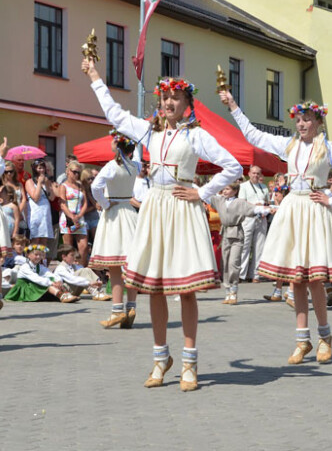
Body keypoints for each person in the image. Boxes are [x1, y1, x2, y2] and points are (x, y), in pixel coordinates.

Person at [83, 57, 243, 391]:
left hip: (182, 209)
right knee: (152, 287)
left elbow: (232, 166)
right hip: (155, 207)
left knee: (185, 290)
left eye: (175, 98)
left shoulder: (197, 135)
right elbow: (114, 114)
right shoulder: (148, 131)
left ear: (187, 104)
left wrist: (201, 191)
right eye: (164, 98)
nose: (168, 103)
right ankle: (160, 360)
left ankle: (189, 363)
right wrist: (95, 75)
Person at [221, 89, 332, 365]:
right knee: (296, 278)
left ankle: (325, 337)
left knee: (314, 279)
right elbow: (253, 135)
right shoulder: (289, 145)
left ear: (318, 122)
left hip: (314, 209)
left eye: (307, 119)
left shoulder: (329, 148)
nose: (301, 124)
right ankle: (302, 340)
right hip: (293, 209)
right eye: (298, 119)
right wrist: (233, 106)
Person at [89, 131, 141, 327]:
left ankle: (117, 310)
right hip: (129, 211)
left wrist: (103, 203)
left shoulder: (111, 166)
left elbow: (95, 186)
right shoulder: (135, 166)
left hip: (115, 213)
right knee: (131, 264)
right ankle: (131, 307)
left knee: (115, 267)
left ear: (117, 146)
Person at [209, 182, 272, 305]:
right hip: (225, 233)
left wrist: (268, 209)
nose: (225, 191)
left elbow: (253, 209)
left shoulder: (240, 202)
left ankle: (234, 290)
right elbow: (204, 194)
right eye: (224, 189)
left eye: (227, 189)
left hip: (237, 233)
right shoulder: (219, 200)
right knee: (225, 263)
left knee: (234, 262)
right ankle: (227, 290)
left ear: (235, 191)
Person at [4, 244, 78, 303]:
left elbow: (49, 274)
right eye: (36, 255)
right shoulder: (25, 267)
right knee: (45, 284)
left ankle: (66, 294)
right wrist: (51, 283)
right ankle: (62, 296)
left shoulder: (40, 266)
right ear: (28, 255)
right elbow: (36, 278)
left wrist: (57, 281)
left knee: (51, 279)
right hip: (25, 289)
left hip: (32, 287)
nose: (38, 257)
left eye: (40, 255)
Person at [238, 165, 269, 283]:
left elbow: (267, 202)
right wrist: (255, 206)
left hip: (261, 218)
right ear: (249, 174)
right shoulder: (243, 186)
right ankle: (241, 274)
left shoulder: (264, 187)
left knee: (259, 246)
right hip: (249, 217)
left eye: (258, 173)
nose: (255, 175)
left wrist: (264, 205)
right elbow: (242, 202)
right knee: (245, 245)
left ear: (260, 175)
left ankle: (255, 274)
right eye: (253, 173)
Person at [59, 161, 89, 266]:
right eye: (74, 172)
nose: (76, 174)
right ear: (68, 172)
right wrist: (71, 217)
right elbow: (62, 204)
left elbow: (85, 202)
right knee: (68, 247)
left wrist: (79, 215)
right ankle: (68, 269)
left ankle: (81, 268)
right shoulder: (63, 186)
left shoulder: (80, 186)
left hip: (79, 217)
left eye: (78, 173)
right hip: (68, 218)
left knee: (84, 246)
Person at [25, 159, 56, 247]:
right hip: (35, 213)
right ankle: (33, 259)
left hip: (45, 213)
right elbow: (35, 198)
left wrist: (47, 184)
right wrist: (39, 183)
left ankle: (43, 260)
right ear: (34, 169)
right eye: (39, 168)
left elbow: (52, 198)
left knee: (44, 240)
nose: (41, 170)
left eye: (43, 168)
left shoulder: (46, 182)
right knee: (35, 239)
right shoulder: (29, 182)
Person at [2, 161, 27, 236]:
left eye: (11, 171)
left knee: (20, 237)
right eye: (6, 172)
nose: (9, 174)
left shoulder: (18, 184)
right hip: (7, 212)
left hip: (20, 211)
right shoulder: (2, 185)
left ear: (14, 172)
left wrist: (19, 212)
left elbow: (23, 199)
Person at [80, 168, 100, 245]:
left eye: (93, 178)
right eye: (89, 179)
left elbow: (98, 206)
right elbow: (83, 209)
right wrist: (93, 207)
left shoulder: (93, 189)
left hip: (94, 218)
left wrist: (88, 193)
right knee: (85, 243)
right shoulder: (80, 190)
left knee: (97, 241)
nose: (91, 181)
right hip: (84, 219)